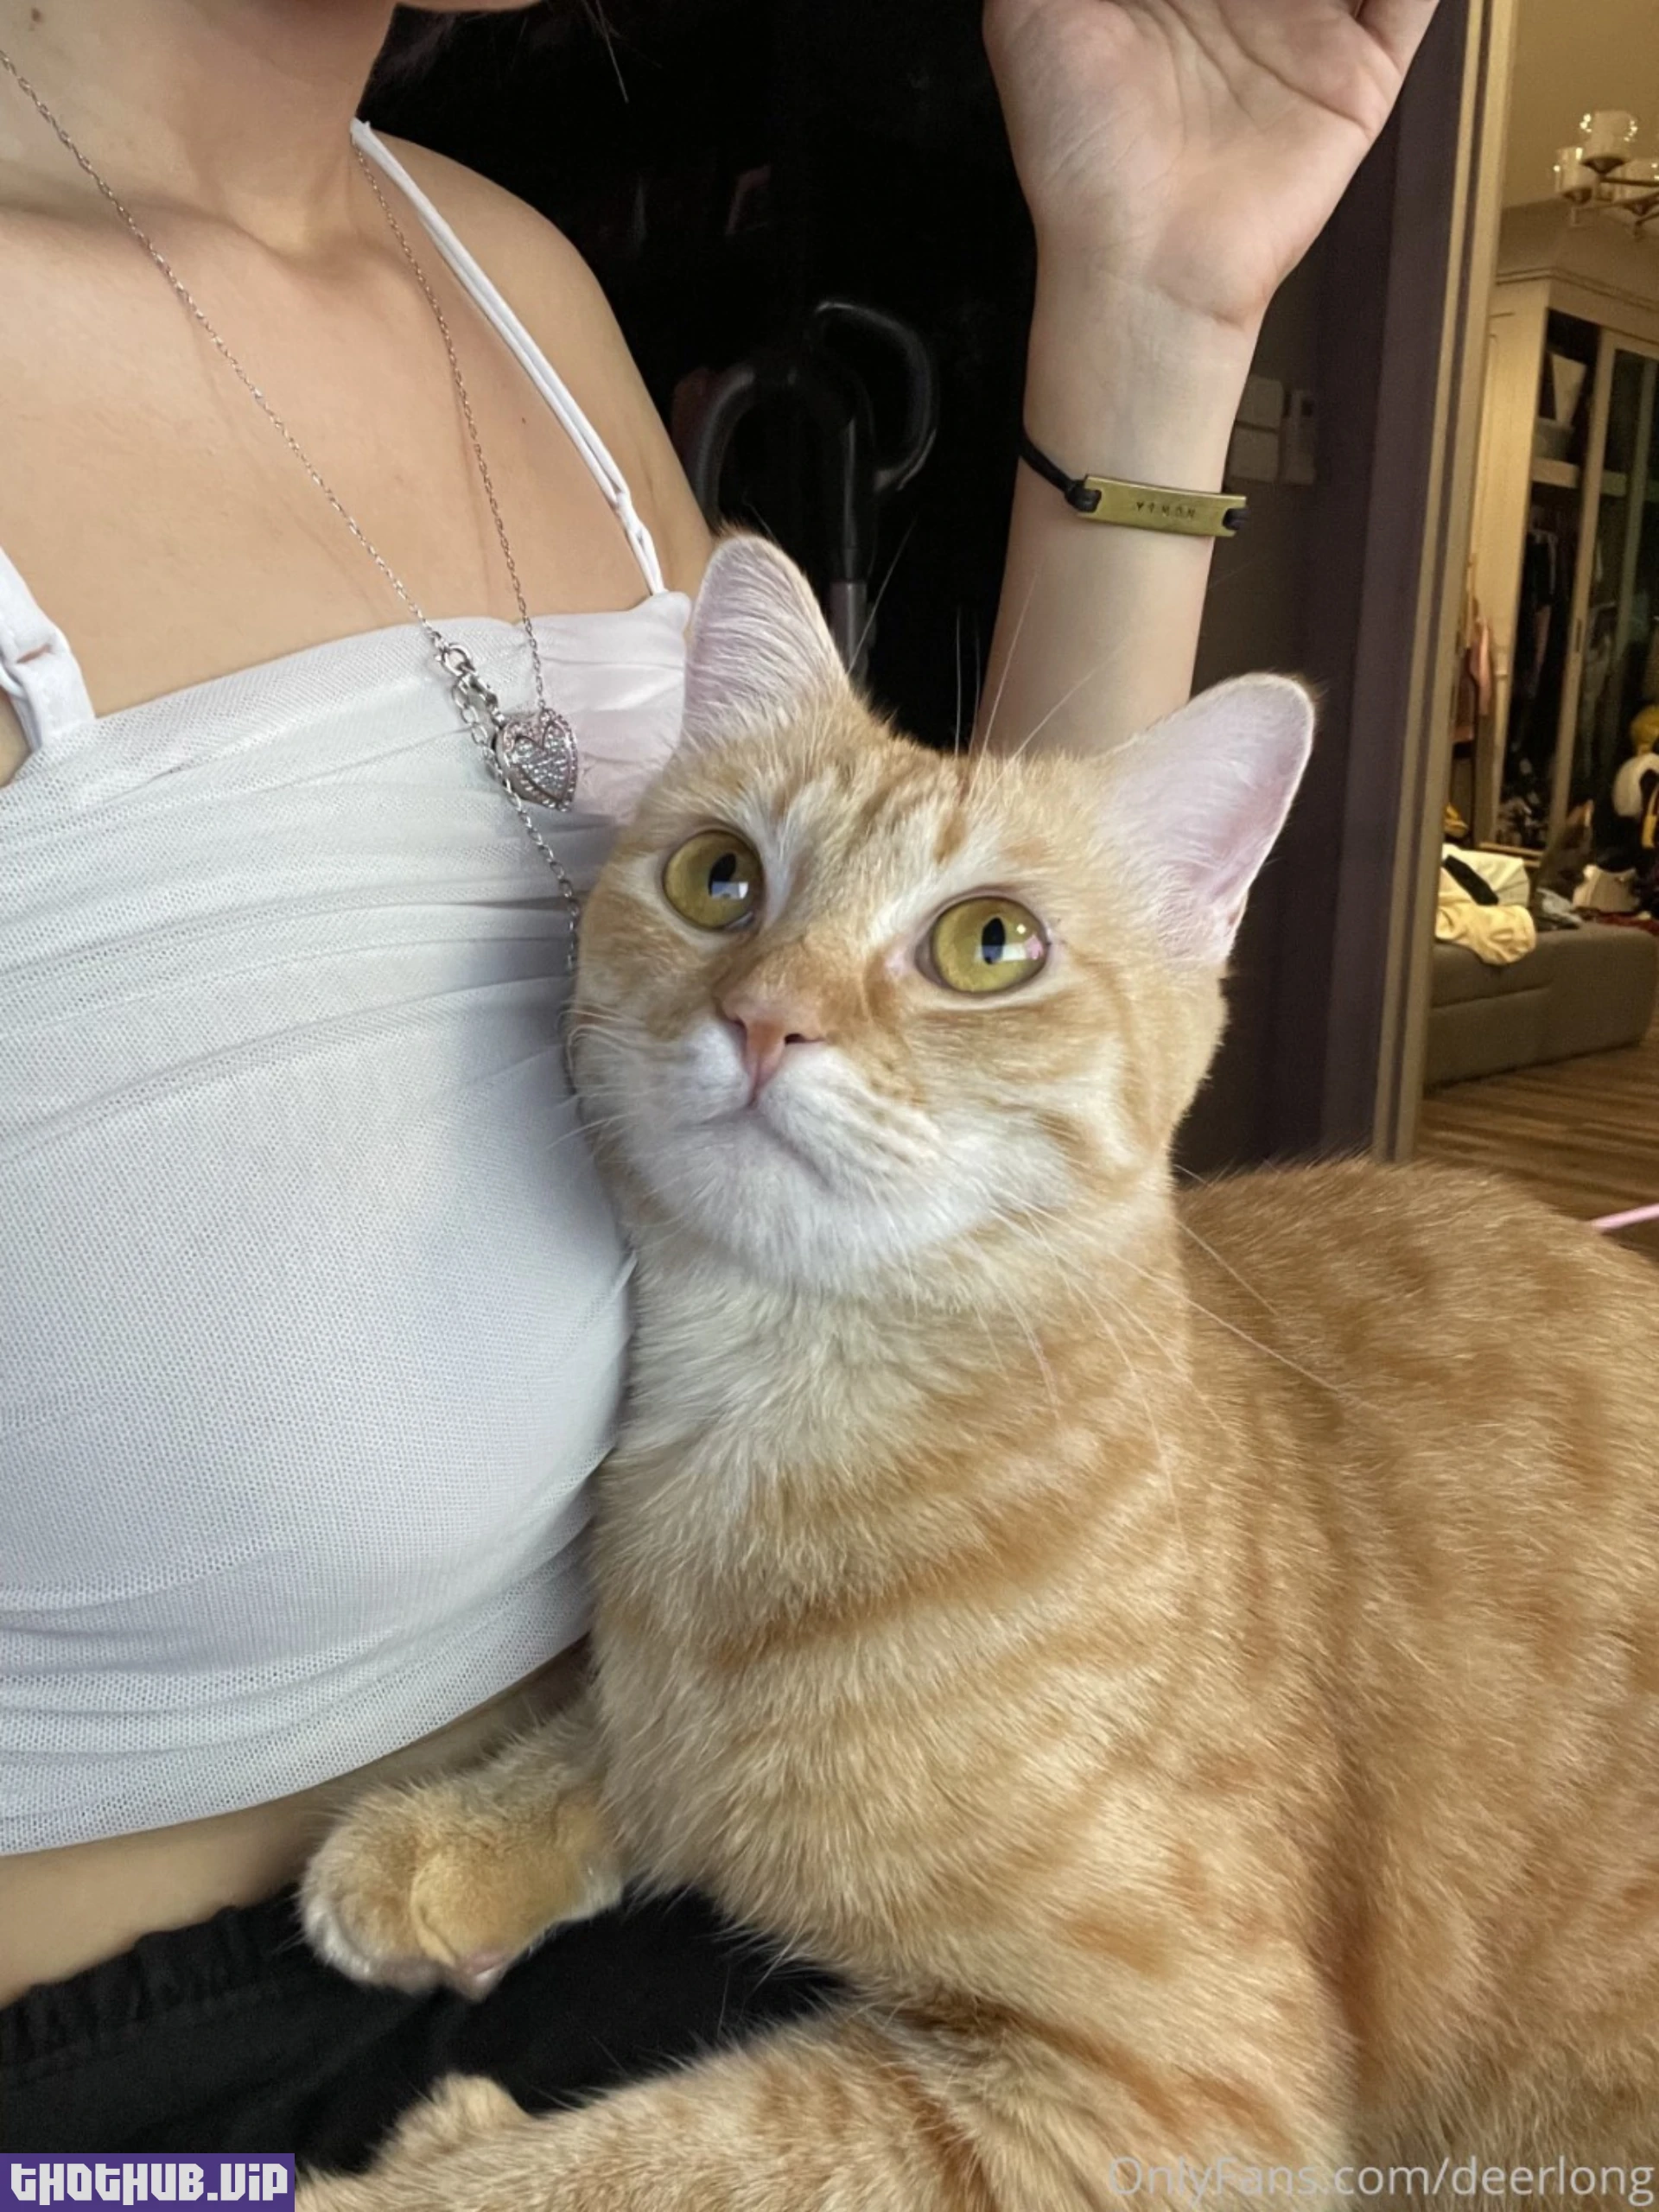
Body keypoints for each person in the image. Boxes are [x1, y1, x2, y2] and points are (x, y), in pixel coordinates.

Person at [0, 0, 1440, 2158]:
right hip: (192, 2089)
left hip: (753, 1842)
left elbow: (988, 981)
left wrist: (1155, 306)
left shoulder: (517, 284)